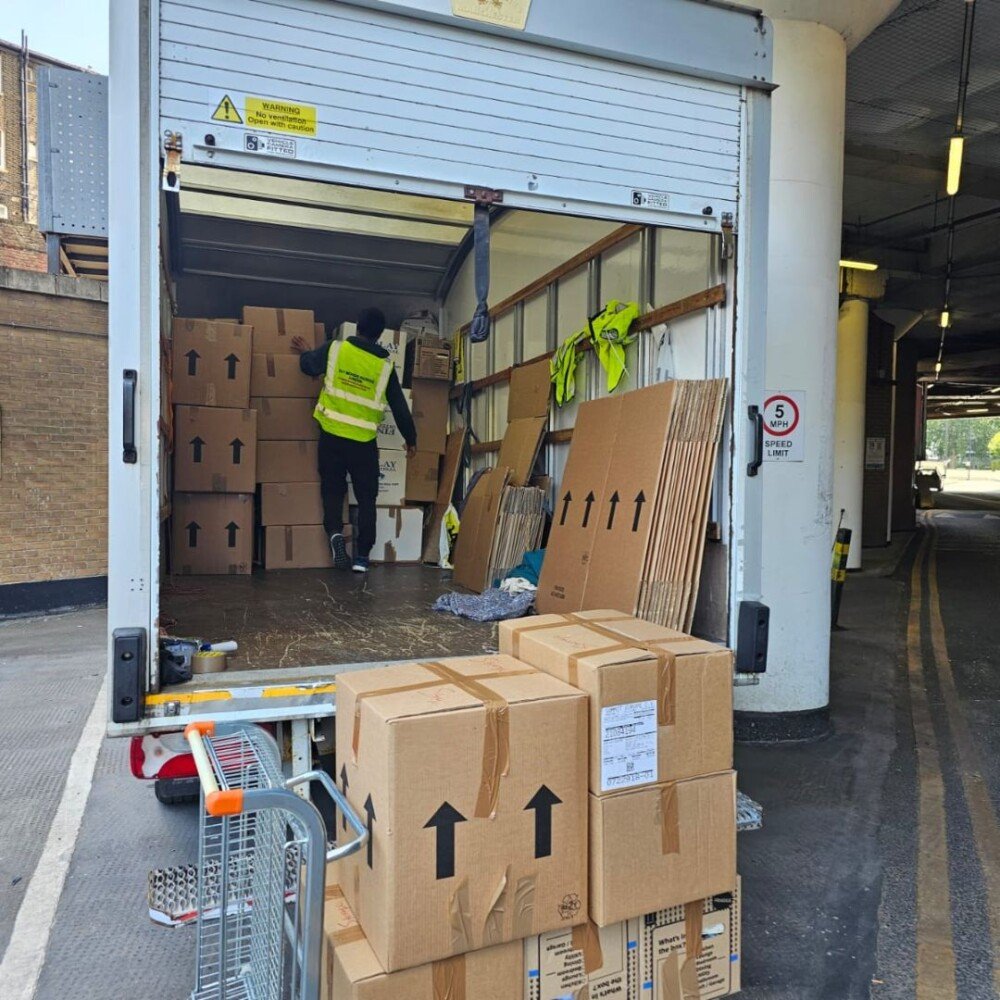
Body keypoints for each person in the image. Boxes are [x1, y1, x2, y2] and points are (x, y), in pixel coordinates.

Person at [292, 308, 416, 573]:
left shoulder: (336, 350)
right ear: (379, 334)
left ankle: (336, 534)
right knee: (367, 497)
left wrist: (306, 351)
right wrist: (411, 439)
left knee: (333, 489)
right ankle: (362, 557)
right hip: (363, 443)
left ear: (358, 327)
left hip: (332, 435)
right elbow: (400, 407)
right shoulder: (384, 366)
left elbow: (308, 366)